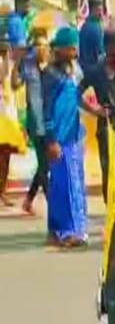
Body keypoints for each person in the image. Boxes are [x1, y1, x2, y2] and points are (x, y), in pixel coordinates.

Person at [43, 27, 93, 247]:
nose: (74, 52)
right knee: (65, 185)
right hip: (58, 137)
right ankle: (69, 231)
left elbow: (78, 97)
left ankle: (58, 230)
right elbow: (45, 108)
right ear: (60, 49)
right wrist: (51, 140)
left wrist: (96, 110)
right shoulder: (50, 75)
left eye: (75, 47)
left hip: (74, 135)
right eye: (70, 48)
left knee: (70, 183)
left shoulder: (75, 70)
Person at [81, 29, 115, 203]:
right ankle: (112, 209)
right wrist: (94, 110)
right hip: (106, 129)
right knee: (108, 172)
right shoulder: (95, 71)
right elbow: (76, 93)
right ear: (107, 47)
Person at [13, 30, 51, 214]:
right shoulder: (28, 65)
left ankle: (29, 199)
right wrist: (16, 63)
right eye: (39, 45)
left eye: (45, 45)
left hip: (50, 120)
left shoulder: (50, 65)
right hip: (36, 122)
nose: (42, 49)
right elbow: (15, 84)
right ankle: (53, 203)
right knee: (44, 164)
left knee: (46, 164)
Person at [0, 35, 27, 208]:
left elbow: (15, 84)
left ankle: (2, 192)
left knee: (6, 155)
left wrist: (17, 65)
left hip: (9, 113)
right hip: (2, 113)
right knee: (2, 155)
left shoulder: (10, 64)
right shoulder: (3, 64)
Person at [79, 0, 105, 72]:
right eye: (99, 10)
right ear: (92, 10)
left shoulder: (85, 26)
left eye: (101, 10)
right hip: (94, 69)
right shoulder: (94, 27)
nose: (101, 13)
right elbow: (100, 52)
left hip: (84, 68)